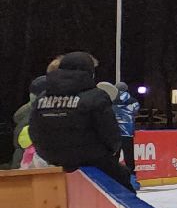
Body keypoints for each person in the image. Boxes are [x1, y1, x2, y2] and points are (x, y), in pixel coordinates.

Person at [27, 52, 133, 190]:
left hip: (49, 155)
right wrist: (110, 152)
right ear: (89, 71)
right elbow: (110, 133)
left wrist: (45, 152)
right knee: (123, 179)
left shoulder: (42, 97)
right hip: (89, 157)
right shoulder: (96, 96)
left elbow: (34, 128)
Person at [111, 82, 139, 183]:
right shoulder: (133, 101)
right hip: (127, 132)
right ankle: (132, 178)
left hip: (114, 133)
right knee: (129, 156)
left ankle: (113, 178)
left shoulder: (110, 100)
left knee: (114, 157)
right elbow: (135, 111)